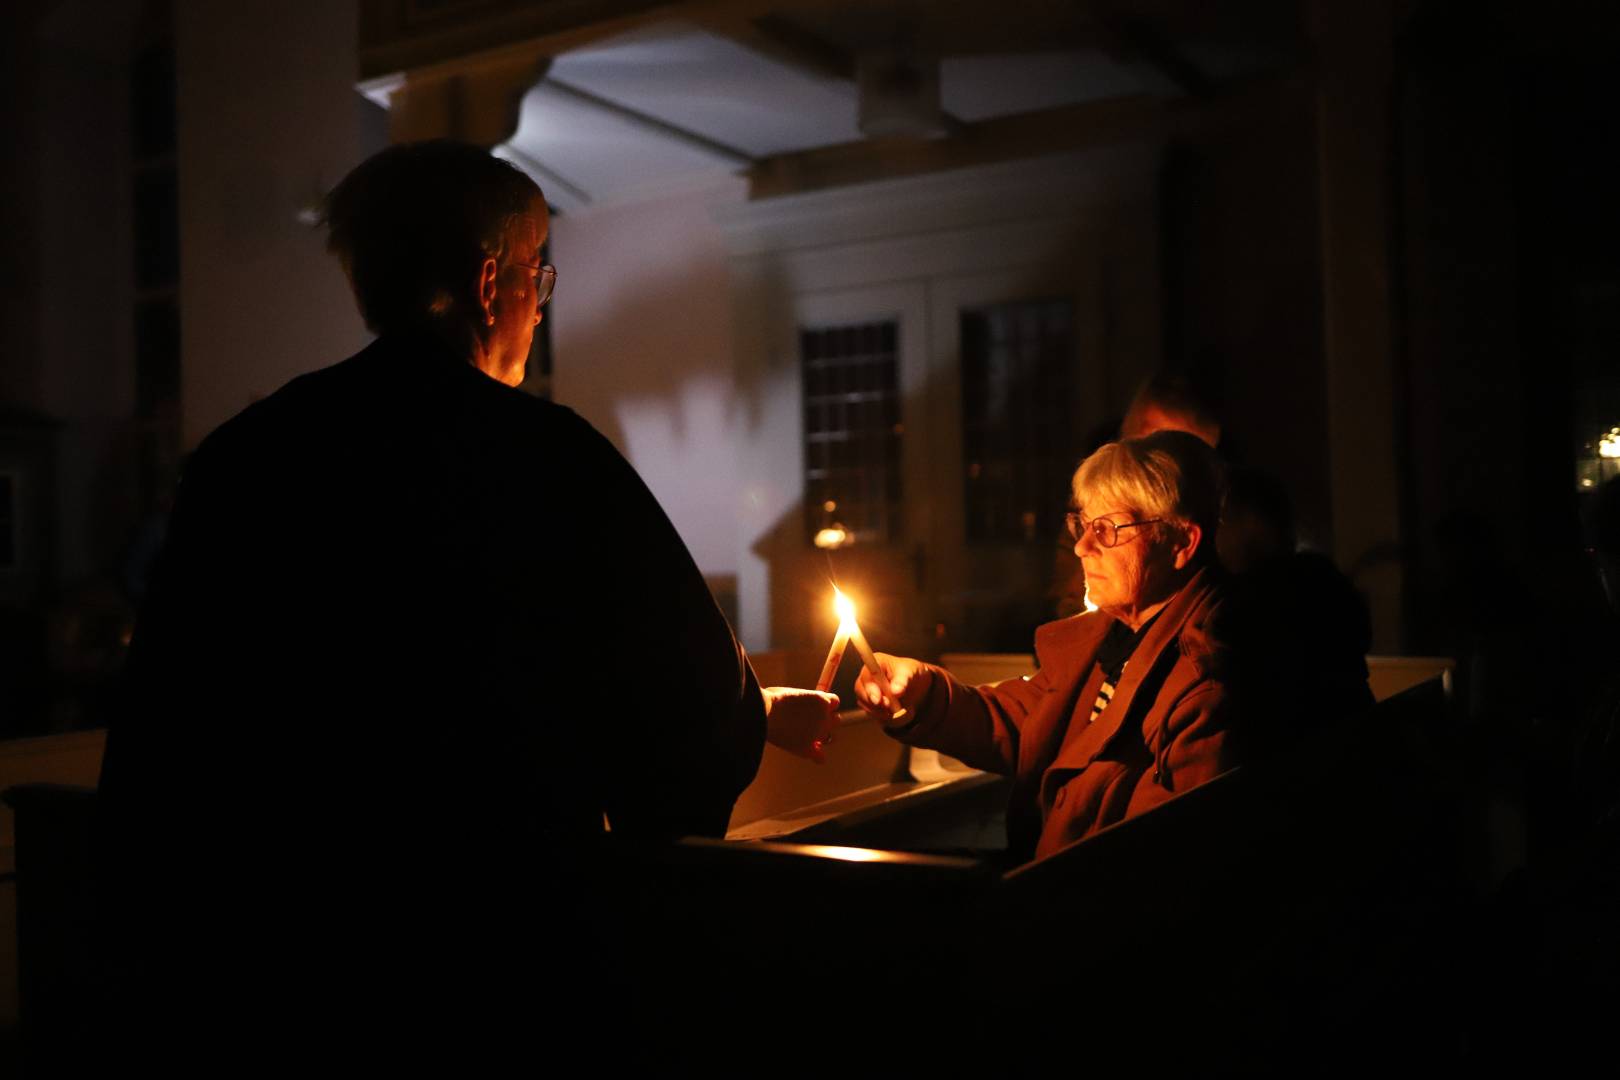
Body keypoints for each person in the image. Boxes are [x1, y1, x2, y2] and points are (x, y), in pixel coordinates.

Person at [95, 141, 836, 1059]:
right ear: (493, 284)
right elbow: (682, 713)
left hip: (268, 965)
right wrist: (745, 720)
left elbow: (163, 728)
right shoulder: (551, 460)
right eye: (542, 276)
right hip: (494, 957)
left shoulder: (246, 457)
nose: (540, 304)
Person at [859, 430, 1245, 862]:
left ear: (1180, 543)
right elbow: (1031, 722)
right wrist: (924, 695)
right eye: (1081, 524)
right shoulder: (1116, 641)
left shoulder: (1206, 688)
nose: (1081, 546)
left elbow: (1152, 872)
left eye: (1107, 529)